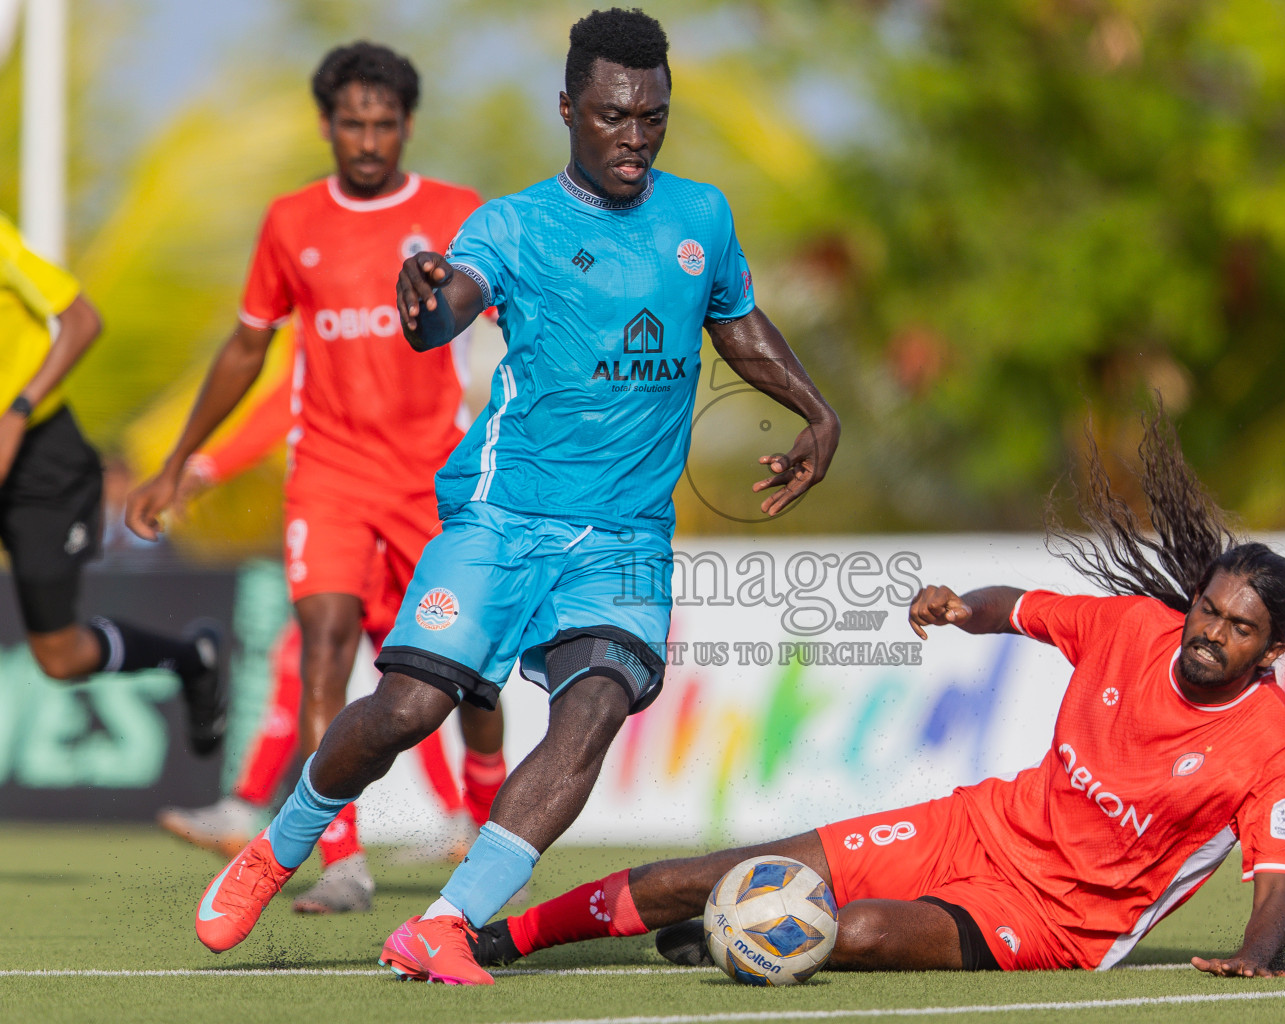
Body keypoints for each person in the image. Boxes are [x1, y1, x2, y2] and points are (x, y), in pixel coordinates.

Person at [183, 7, 841, 985]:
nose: (635, 136)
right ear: (569, 107)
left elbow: (737, 323)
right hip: (504, 519)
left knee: (597, 705)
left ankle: (446, 921)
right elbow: (448, 302)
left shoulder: (701, 216)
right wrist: (425, 303)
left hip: (625, 537)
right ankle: (280, 844)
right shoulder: (513, 223)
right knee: (407, 706)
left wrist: (814, 410)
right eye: (614, 116)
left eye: (653, 117)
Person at [470, 409, 1285, 978]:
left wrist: (1259, 954)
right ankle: (499, 936)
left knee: (860, 927)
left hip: (1061, 923)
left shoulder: (1272, 748)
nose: (1210, 632)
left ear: (1271, 648)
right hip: (978, 825)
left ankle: (732, 935)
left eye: (1239, 628)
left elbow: (1274, 879)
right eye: (1207, 608)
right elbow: (1013, 609)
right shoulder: (1133, 626)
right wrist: (955, 607)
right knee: (710, 872)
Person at [125, 41, 505, 914]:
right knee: (324, 646)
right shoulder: (292, 223)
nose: (368, 142)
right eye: (351, 125)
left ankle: (486, 827)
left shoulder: (457, 214)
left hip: (433, 480)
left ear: (407, 126)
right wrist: (181, 462)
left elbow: (522, 322)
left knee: (473, 673)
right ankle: (342, 860)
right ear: (327, 126)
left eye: (383, 125)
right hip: (329, 477)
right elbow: (247, 349)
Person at [152, 353, 508, 857]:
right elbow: (285, 403)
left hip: (402, 520)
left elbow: (285, 405)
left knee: (416, 680)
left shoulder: (420, 300)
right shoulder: (335, 314)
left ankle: (463, 818)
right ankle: (288, 823)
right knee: (334, 667)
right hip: (354, 519)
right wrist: (209, 466)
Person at [0, 211, 225, 750]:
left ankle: (193, 661)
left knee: (60, 657)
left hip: (40, 462)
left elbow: (83, 321)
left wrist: (17, 411)